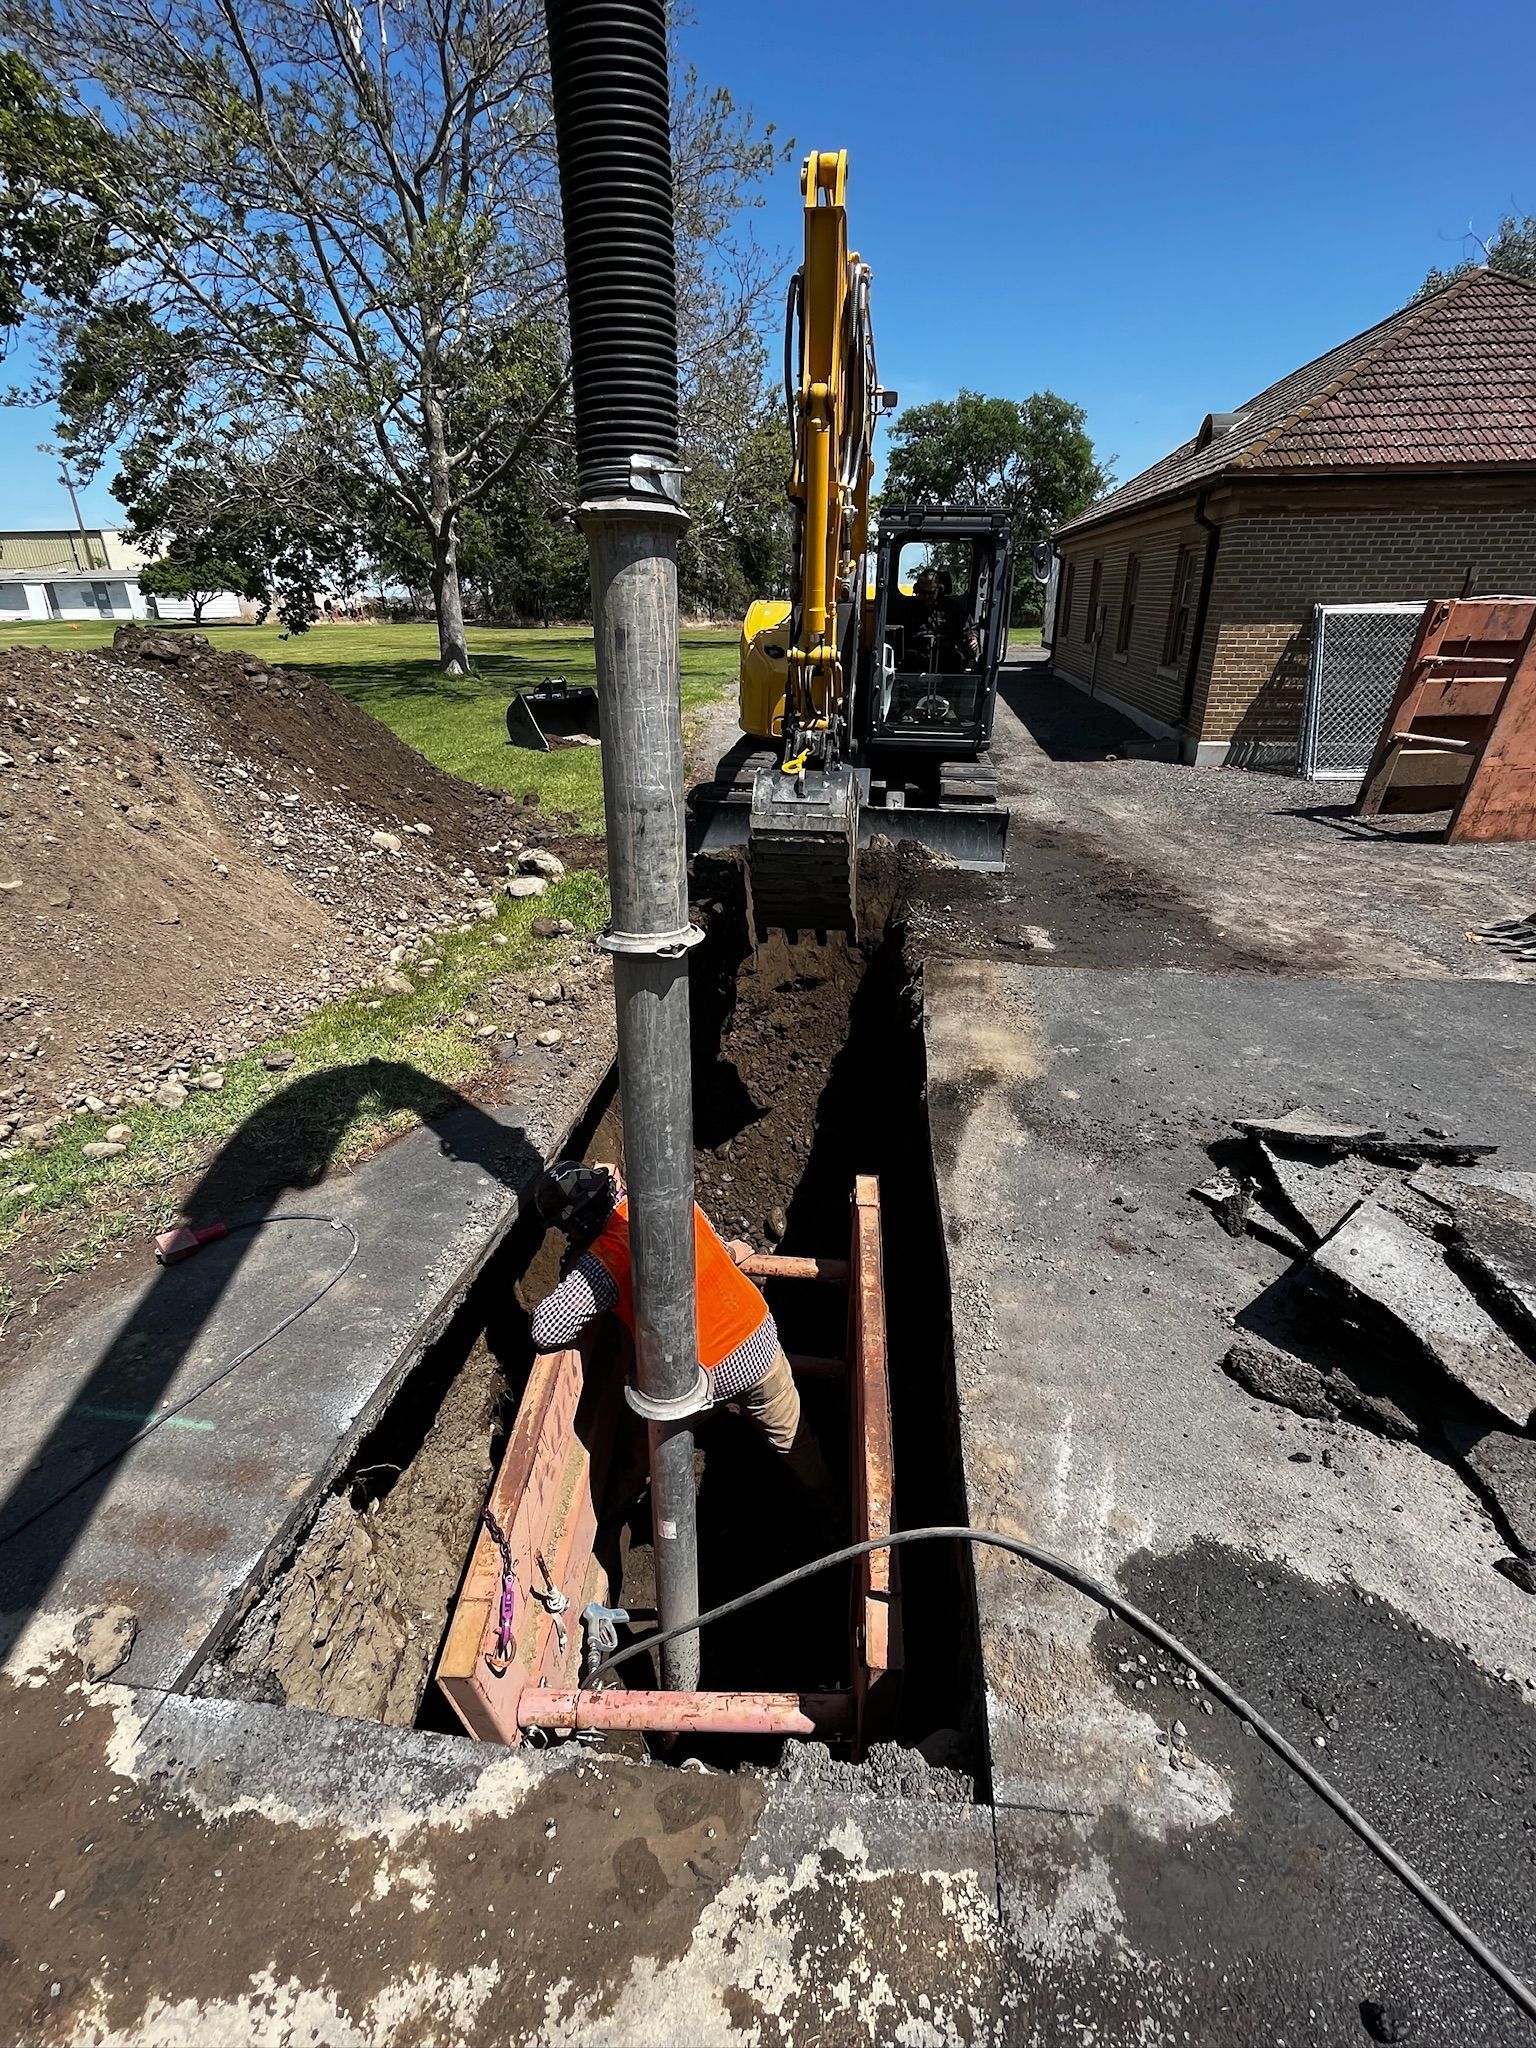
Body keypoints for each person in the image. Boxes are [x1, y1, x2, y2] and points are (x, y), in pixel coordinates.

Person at [530, 1161, 829, 1491]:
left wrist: (581, 1266)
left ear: (574, 1225)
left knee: (644, 1444)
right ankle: (829, 1500)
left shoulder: (607, 1258)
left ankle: (621, 1502)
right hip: (759, 1339)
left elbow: (546, 1328)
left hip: (701, 1375)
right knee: (793, 1439)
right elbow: (721, 1249)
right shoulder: (672, 1203)